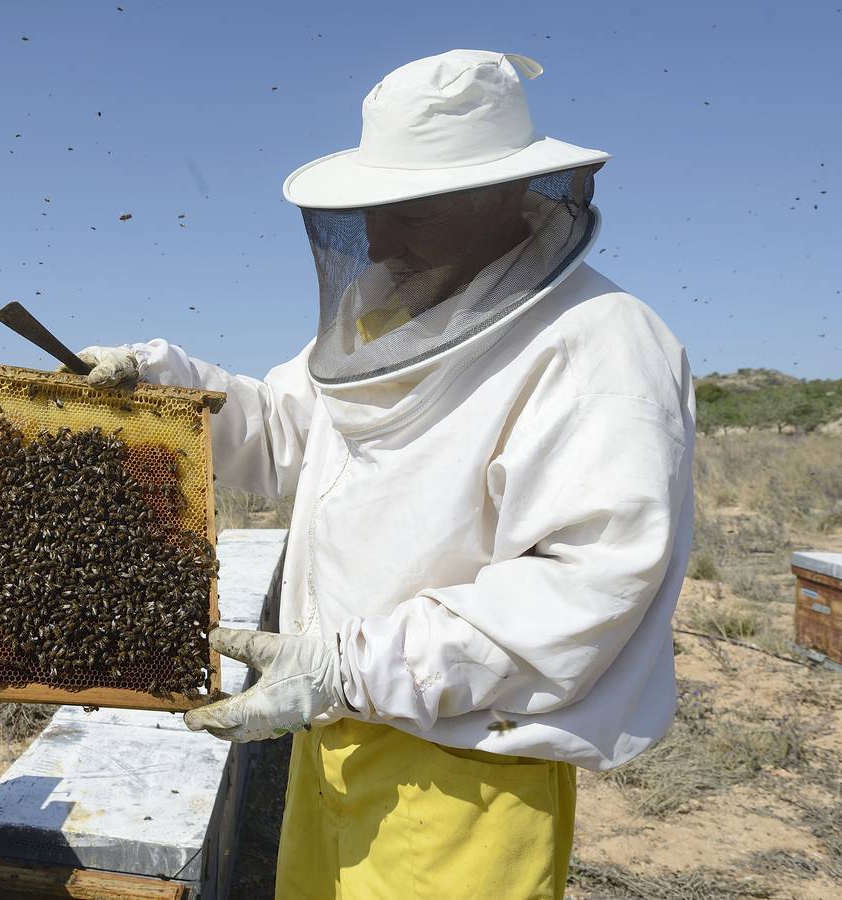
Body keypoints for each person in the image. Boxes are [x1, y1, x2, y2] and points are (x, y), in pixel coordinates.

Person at [69, 49, 695, 899]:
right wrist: (161, 389)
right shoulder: (387, 322)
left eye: (413, 213)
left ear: (508, 198)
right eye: (372, 209)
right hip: (329, 734)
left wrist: (345, 666)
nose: (379, 239)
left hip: (466, 772)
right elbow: (283, 430)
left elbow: (586, 588)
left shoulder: (601, 344)